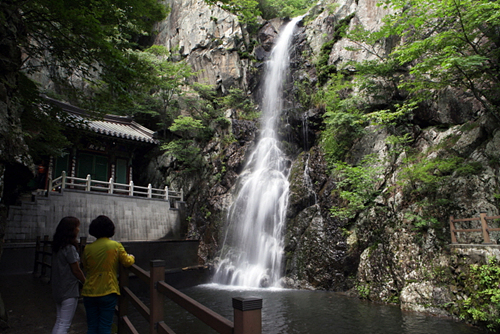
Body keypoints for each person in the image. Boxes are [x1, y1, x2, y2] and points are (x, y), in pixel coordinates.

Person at [81, 215, 135, 334]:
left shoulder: (88, 248)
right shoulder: (115, 246)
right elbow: (126, 262)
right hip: (108, 289)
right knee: (105, 326)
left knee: (92, 327)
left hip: (89, 290)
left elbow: (85, 266)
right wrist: (132, 257)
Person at [51, 216, 86, 334]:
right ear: (71, 230)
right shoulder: (69, 248)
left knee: (59, 320)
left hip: (57, 288)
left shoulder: (57, 247)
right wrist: (86, 282)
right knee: (64, 324)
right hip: (69, 289)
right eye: (77, 227)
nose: (78, 229)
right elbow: (76, 270)